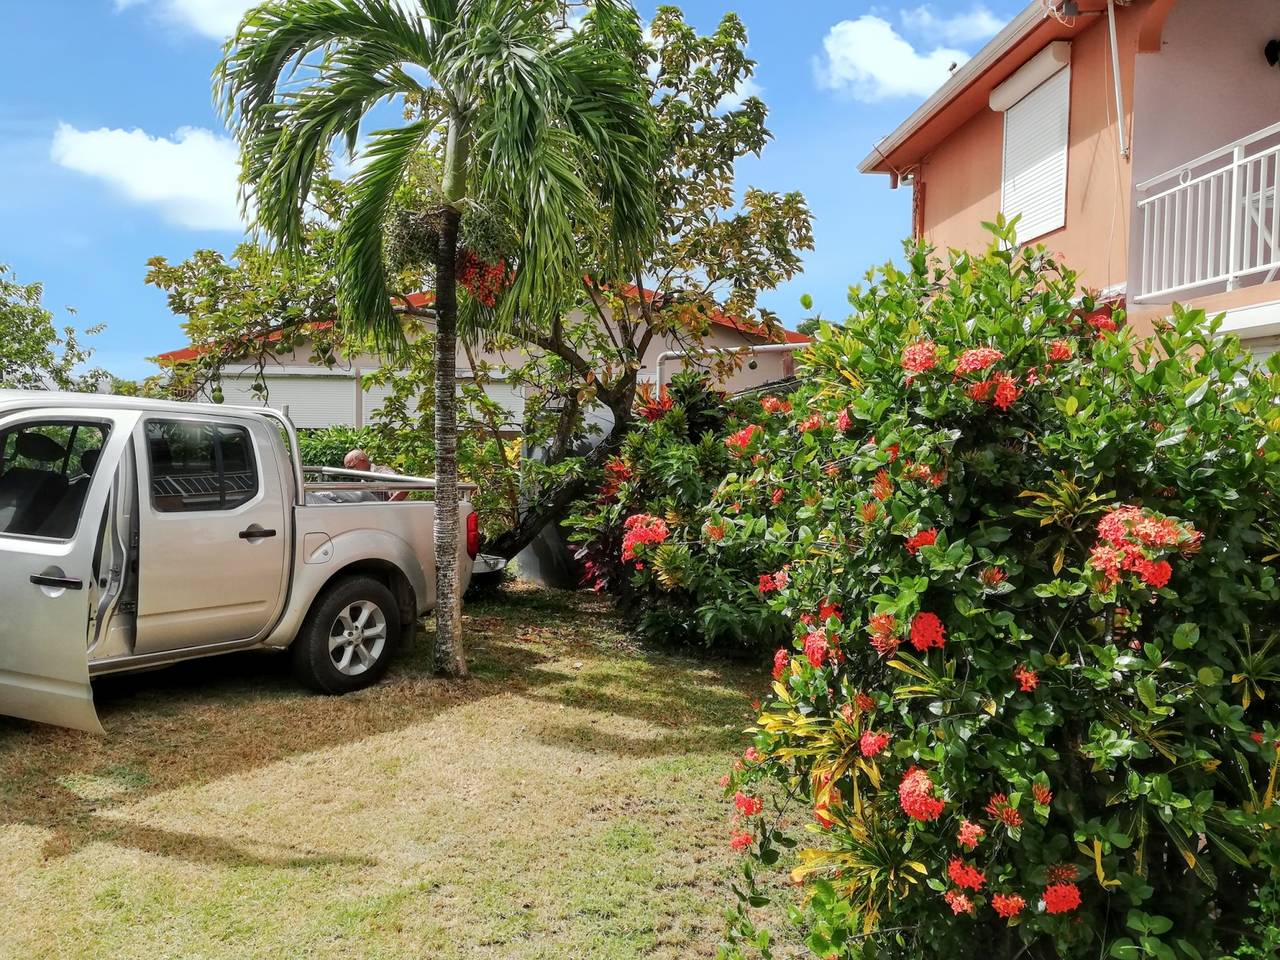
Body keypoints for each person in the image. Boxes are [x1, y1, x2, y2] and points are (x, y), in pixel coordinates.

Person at [343, 448, 407, 502]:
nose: (351, 472)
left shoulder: (382, 473)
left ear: (362, 461)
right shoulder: (364, 481)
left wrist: (385, 509)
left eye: (351, 467)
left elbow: (403, 488)